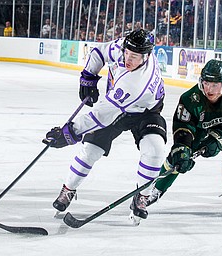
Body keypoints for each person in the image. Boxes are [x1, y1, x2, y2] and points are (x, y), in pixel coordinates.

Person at [43, 29, 167, 222]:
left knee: (155, 149)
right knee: (90, 150)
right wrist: (89, 76)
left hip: (145, 112)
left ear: (146, 56)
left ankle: (142, 196)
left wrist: (70, 132)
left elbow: (101, 116)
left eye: (134, 57)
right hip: (116, 106)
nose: (128, 59)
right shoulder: (121, 47)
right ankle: (68, 189)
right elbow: (99, 52)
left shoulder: (137, 82)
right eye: (127, 53)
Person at [147, 59, 222, 211]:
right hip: (200, 129)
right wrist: (183, 145)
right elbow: (183, 126)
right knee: (180, 156)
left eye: (214, 85)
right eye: (206, 83)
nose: (209, 89)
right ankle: (157, 189)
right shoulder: (190, 98)